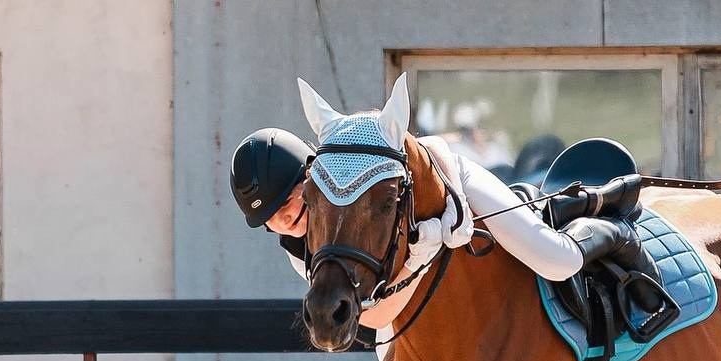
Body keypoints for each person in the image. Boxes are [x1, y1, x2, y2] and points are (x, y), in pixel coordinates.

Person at [230, 112, 658, 332]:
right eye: (271, 218)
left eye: (289, 200)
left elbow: (455, 229)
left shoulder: (351, 200)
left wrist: (428, 230)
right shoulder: (305, 254)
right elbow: (378, 308)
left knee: (556, 260)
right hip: (414, 267)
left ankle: (610, 225)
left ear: (313, 179)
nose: (285, 218)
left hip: (449, 184)